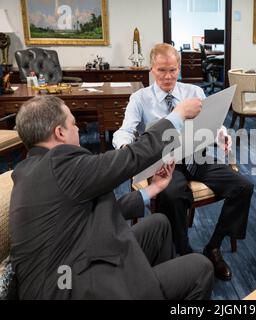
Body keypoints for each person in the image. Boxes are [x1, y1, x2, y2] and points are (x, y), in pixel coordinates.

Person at [9, 95, 214, 299]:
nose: (78, 129)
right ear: (60, 132)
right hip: (70, 289)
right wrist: (177, 116)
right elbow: (130, 157)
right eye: (73, 123)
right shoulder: (59, 163)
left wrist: (151, 190)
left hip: (73, 262)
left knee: (158, 225)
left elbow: (84, 210)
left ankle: (150, 289)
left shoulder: (30, 169)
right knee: (201, 268)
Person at [113, 43, 254, 281]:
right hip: (163, 162)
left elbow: (213, 124)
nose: (168, 76)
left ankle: (214, 247)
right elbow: (124, 131)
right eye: (161, 70)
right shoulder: (140, 98)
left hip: (195, 155)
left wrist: (222, 136)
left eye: (172, 70)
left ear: (179, 67)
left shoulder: (194, 92)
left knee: (243, 186)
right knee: (171, 194)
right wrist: (126, 149)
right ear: (151, 69)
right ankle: (182, 251)